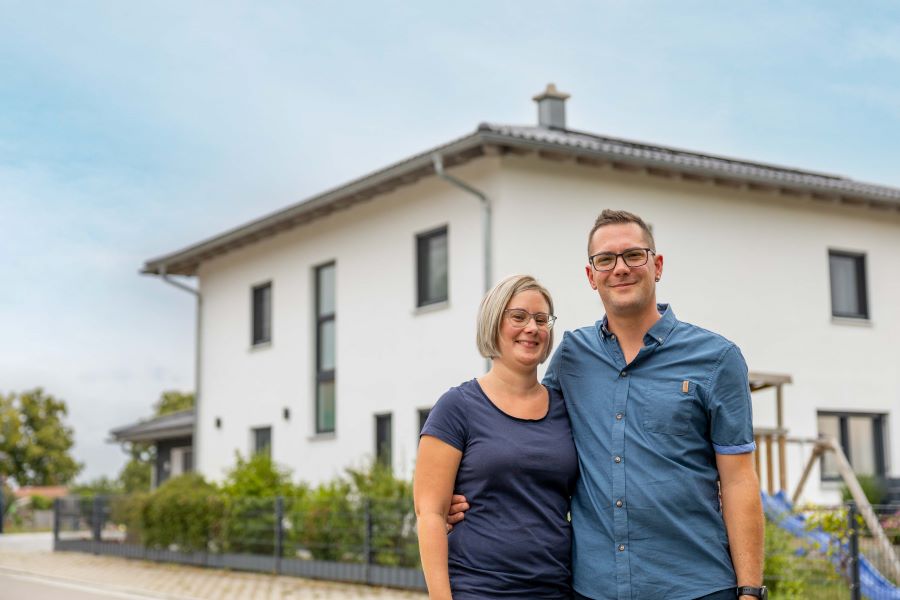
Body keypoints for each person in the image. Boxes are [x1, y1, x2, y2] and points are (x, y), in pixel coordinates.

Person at [449, 210, 765, 600]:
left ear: (657, 265)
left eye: (634, 255)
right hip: (594, 588)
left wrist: (750, 590)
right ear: (591, 275)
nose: (620, 269)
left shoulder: (717, 359)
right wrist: (462, 493)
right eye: (606, 259)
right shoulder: (571, 357)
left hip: (695, 586)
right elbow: (525, 432)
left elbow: (739, 481)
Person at [414, 274, 578, 599]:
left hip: (555, 589)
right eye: (518, 317)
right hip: (479, 588)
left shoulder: (567, 408)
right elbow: (430, 513)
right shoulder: (456, 407)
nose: (532, 327)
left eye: (541, 319)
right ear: (493, 323)